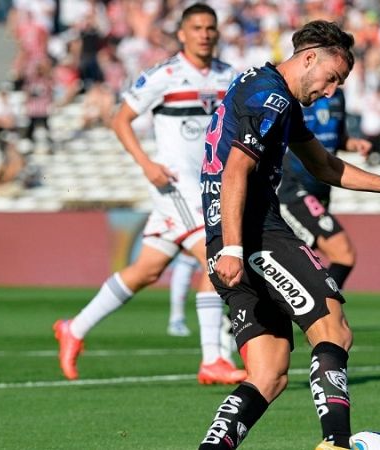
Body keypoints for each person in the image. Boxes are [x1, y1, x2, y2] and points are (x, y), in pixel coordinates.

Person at [197, 20, 380, 450]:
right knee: (333, 328)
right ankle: (336, 444)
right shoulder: (271, 97)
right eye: (332, 79)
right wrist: (235, 247)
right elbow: (237, 169)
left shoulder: (269, 92)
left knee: (269, 374)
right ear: (309, 58)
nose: (331, 92)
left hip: (227, 240)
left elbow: (324, 165)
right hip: (255, 235)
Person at [53, 3, 246, 385]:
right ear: (182, 34)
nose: (205, 34)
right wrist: (146, 164)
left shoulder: (230, 77)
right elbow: (120, 118)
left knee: (147, 270)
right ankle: (212, 359)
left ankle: (74, 327)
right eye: (197, 28)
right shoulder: (165, 75)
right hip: (175, 183)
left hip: (211, 186)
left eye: (210, 27)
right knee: (216, 256)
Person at [278, 89, 371, 290]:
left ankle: (236, 317)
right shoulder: (295, 93)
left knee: (288, 264)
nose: (334, 84)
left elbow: (338, 137)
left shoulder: (338, 96)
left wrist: (353, 144)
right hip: (293, 186)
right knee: (343, 253)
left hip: (322, 188)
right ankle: (323, 310)